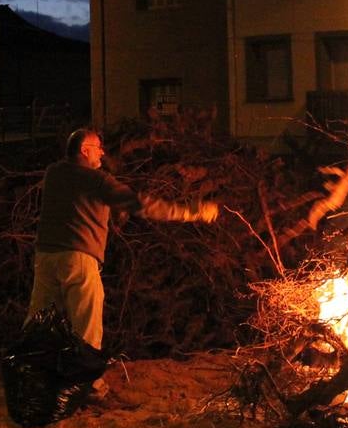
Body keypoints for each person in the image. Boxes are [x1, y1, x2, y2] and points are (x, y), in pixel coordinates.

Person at [29, 128, 216, 396]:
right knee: (86, 322)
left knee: (41, 320)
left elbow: (76, 204)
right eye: (98, 147)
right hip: (78, 259)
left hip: (46, 257)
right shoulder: (96, 180)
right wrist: (191, 212)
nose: (103, 152)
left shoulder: (54, 173)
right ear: (84, 150)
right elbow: (140, 204)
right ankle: (89, 384)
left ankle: (32, 375)